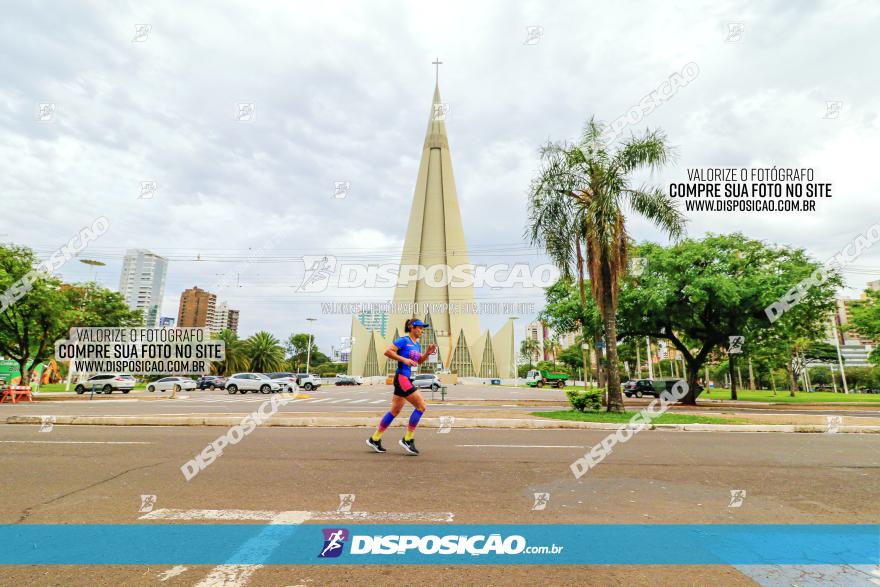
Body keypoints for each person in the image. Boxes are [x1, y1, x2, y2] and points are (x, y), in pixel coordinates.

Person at [366, 318, 436, 455]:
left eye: (423, 328)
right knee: (421, 406)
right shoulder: (404, 340)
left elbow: (418, 361)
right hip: (401, 378)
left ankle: (375, 439)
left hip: (405, 378)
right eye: (420, 327)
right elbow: (387, 351)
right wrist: (404, 359)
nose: (422, 330)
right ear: (411, 327)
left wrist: (427, 353)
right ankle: (407, 440)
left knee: (394, 411)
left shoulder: (417, 345)